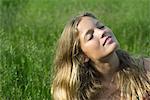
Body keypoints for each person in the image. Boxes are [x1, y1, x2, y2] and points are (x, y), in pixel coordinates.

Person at [51, 12, 150, 100]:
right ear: (82, 56)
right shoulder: (76, 94)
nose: (102, 32)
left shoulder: (146, 69)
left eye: (101, 26)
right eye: (90, 36)